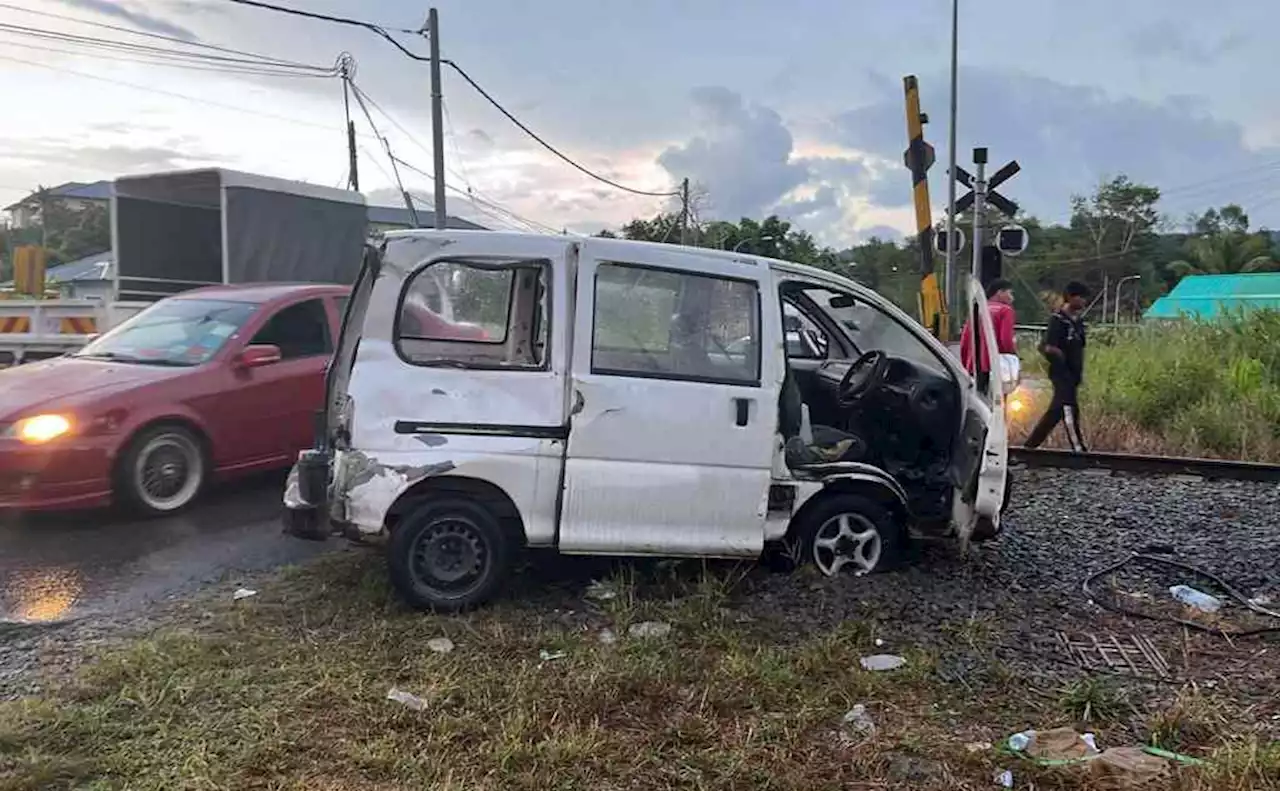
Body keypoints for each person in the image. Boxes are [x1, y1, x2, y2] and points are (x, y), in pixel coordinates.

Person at [1024, 281, 1090, 451]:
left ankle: (1030, 446)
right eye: (1080, 297)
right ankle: (1078, 447)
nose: (1083, 302)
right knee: (1069, 408)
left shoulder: (1078, 323)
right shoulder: (1058, 320)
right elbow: (1045, 346)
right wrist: (1058, 357)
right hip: (1061, 373)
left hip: (1074, 374)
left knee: (1055, 412)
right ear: (1070, 297)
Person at [959, 278, 1017, 393]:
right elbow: (1005, 340)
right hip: (994, 366)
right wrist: (1012, 356)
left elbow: (965, 339)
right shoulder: (1005, 310)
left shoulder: (977, 308)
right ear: (1000, 292)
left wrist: (966, 362)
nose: (1012, 297)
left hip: (974, 364)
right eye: (1010, 293)